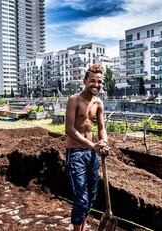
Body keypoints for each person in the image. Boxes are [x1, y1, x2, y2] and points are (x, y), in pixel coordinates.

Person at [65, 64, 109, 231]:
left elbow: (101, 128)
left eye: (99, 82)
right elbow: (69, 129)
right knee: (81, 199)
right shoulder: (74, 100)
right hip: (75, 154)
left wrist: (104, 142)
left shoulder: (99, 103)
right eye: (92, 81)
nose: (96, 85)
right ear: (85, 81)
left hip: (92, 155)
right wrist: (93, 145)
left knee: (90, 198)